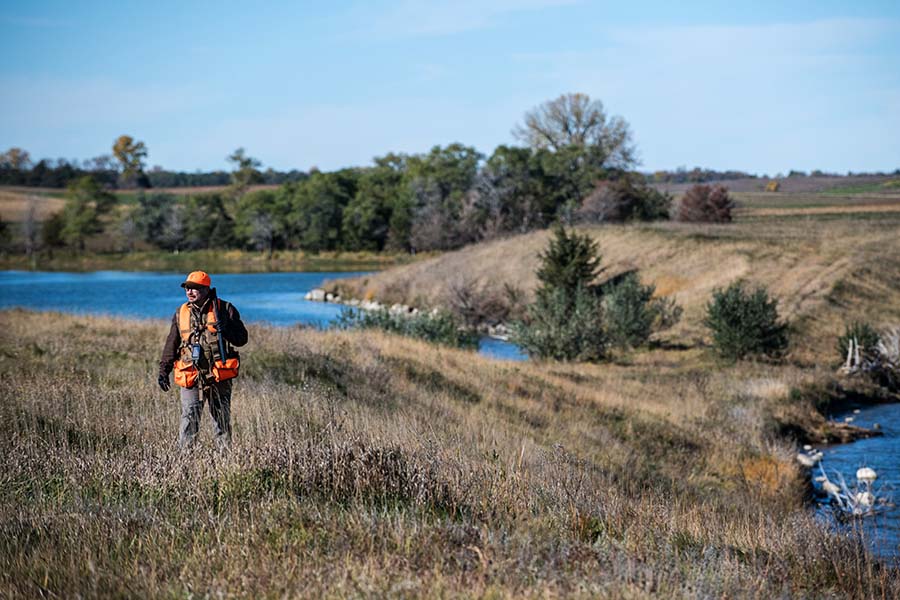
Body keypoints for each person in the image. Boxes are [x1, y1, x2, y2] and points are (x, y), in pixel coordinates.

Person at [158, 271, 248, 449]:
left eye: (195, 288)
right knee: (189, 419)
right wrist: (164, 370)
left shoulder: (224, 309)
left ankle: (225, 462)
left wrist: (226, 329)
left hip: (218, 376)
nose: (190, 292)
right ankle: (185, 463)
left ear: (206, 289)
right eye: (187, 288)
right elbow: (172, 343)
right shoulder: (180, 313)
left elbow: (242, 339)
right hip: (191, 374)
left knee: (221, 420)